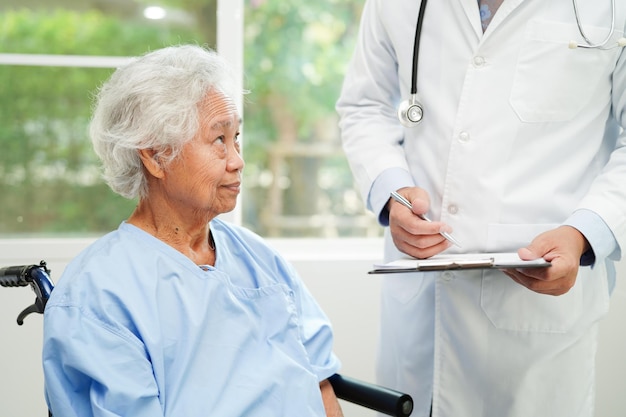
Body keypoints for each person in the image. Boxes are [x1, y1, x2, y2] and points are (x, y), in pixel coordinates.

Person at [336, 1, 625, 417]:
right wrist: (392, 192)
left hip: (536, 332)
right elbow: (365, 106)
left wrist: (584, 233)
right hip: (420, 321)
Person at [42, 44, 344, 417]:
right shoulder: (98, 293)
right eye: (219, 140)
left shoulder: (258, 256)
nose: (238, 161)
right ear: (155, 156)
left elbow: (319, 382)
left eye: (237, 138)